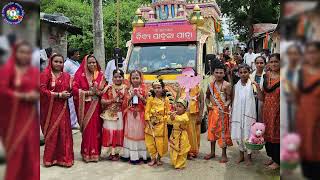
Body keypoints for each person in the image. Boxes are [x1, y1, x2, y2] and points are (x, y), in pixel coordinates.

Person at [0, 41, 40, 180]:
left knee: (30, 148)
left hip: (30, 115)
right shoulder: (7, 70)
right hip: (12, 117)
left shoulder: (34, 71)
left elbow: (38, 88)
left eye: (28, 53)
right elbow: (2, 90)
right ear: (15, 53)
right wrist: (21, 96)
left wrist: (35, 95)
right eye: (21, 52)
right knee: (16, 149)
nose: (25, 55)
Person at [40, 54, 74, 167]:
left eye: (61, 62)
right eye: (56, 61)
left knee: (64, 132)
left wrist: (69, 94)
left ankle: (64, 159)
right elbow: (41, 90)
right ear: (51, 62)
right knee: (52, 132)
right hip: (50, 109)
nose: (59, 64)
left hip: (63, 109)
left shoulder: (66, 76)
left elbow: (71, 90)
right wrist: (58, 95)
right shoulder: (45, 74)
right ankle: (50, 159)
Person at [73, 55, 106, 162]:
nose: (92, 64)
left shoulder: (100, 74)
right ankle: (86, 153)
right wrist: (88, 93)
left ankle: (96, 152)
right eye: (90, 63)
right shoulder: (79, 75)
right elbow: (74, 89)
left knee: (97, 129)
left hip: (98, 107)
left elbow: (106, 90)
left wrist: (99, 92)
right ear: (85, 64)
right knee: (88, 130)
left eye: (94, 62)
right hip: (86, 106)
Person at [295, 42, 320, 179]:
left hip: (317, 120)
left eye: (315, 52)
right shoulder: (301, 73)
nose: (312, 55)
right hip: (303, 118)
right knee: (305, 147)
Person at [254, 53, 280, 170]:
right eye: (271, 61)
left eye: (276, 61)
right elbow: (262, 97)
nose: (273, 64)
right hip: (267, 110)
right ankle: (272, 157)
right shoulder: (266, 76)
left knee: (277, 135)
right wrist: (257, 87)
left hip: (279, 111)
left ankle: (278, 161)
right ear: (268, 64)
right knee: (268, 134)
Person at [205, 63, 233, 163]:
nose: (218, 74)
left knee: (223, 133)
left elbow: (230, 99)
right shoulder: (210, 85)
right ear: (213, 73)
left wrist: (225, 105)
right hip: (213, 112)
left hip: (223, 112)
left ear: (224, 73)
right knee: (212, 131)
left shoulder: (227, 85)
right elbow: (207, 97)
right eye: (216, 72)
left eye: (221, 72)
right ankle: (212, 152)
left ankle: (224, 154)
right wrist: (208, 105)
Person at [231, 64, 256, 165]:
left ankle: (249, 156)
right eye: (241, 72)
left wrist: (256, 85)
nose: (243, 74)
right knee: (239, 134)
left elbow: (258, 96)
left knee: (248, 134)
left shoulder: (252, 84)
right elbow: (233, 99)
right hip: (238, 114)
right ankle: (241, 155)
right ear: (238, 74)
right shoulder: (236, 86)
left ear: (249, 73)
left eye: (245, 72)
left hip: (248, 114)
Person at [100, 69, 127, 161]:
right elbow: (102, 101)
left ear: (123, 78)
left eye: (120, 77)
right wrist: (112, 100)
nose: (118, 78)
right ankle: (111, 152)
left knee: (119, 132)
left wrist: (123, 102)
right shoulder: (108, 88)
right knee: (110, 132)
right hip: (110, 114)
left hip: (121, 114)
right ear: (112, 78)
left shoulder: (126, 88)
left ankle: (118, 152)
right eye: (115, 77)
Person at [122, 70, 148, 164]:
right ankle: (132, 155)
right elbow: (124, 103)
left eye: (137, 78)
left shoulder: (144, 88)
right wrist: (131, 96)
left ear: (140, 78)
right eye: (133, 78)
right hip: (130, 115)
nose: (135, 80)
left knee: (141, 133)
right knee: (132, 133)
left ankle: (142, 155)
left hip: (141, 114)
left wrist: (139, 96)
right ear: (130, 79)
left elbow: (147, 102)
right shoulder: (127, 89)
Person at [144, 79, 170, 166]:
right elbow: (147, 111)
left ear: (162, 88)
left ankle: (159, 158)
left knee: (160, 143)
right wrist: (149, 121)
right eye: (155, 88)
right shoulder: (150, 99)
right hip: (150, 124)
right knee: (150, 142)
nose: (157, 89)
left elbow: (168, 112)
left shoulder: (165, 100)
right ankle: (153, 158)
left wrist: (163, 119)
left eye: (159, 87)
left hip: (161, 125)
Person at [280, 44, 302, 133]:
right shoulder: (282, 71)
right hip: (284, 107)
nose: (292, 56)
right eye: (290, 53)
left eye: (295, 53)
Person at [168, 99, 191, 169]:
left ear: (185, 109)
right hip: (174, 134)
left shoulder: (185, 116)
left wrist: (174, 117)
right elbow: (169, 122)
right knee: (173, 149)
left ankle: (180, 164)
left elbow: (182, 120)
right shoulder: (175, 115)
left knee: (182, 150)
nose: (177, 108)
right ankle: (174, 162)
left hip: (182, 135)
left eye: (180, 106)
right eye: (177, 106)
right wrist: (171, 118)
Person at [64, 48, 81, 129]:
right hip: (70, 88)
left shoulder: (76, 63)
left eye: (78, 54)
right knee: (71, 105)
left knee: (75, 105)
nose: (78, 55)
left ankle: (75, 121)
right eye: (77, 54)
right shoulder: (67, 64)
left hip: (77, 88)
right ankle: (72, 123)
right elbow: (64, 75)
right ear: (72, 55)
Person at [250, 56, 266, 122]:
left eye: (261, 63)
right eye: (257, 63)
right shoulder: (251, 75)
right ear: (255, 64)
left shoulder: (267, 76)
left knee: (261, 119)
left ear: (265, 64)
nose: (259, 65)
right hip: (252, 99)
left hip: (262, 100)